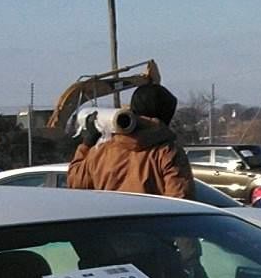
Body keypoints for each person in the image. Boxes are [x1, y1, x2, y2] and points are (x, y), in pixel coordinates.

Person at [64, 83, 196, 199]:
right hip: (151, 226)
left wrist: (86, 144)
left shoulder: (103, 150)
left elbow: (75, 182)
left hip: (111, 225)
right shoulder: (168, 153)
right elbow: (181, 200)